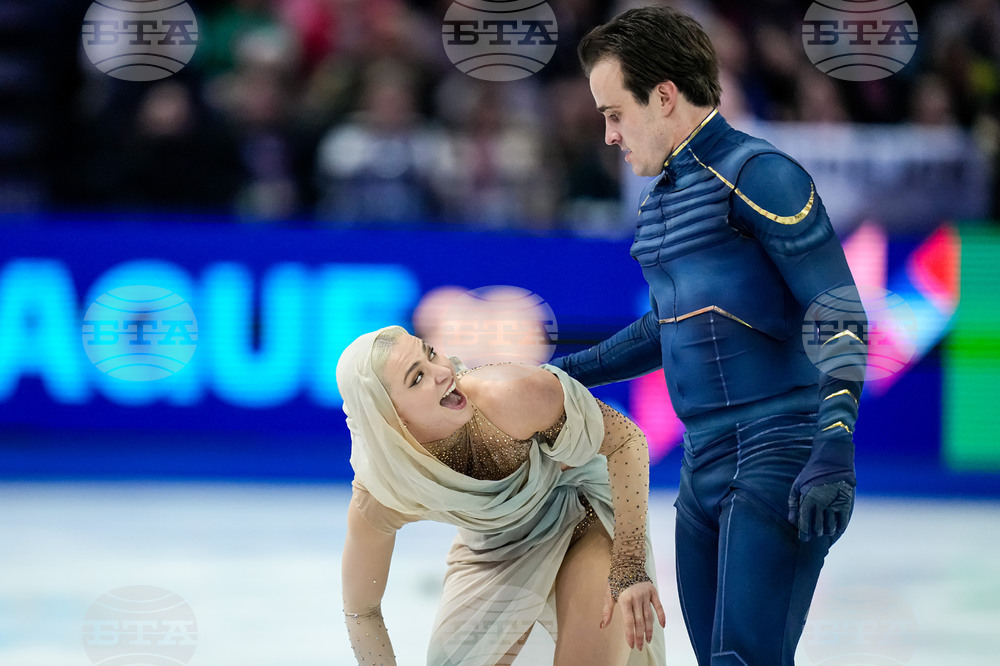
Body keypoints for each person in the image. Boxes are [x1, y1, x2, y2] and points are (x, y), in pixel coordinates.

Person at [549, 7, 868, 666]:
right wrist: (565, 374)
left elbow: (838, 312)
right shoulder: (666, 195)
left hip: (778, 453)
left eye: (614, 113)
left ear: (664, 96)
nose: (608, 135)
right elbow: (668, 327)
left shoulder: (760, 175)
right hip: (702, 465)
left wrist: (834, 446)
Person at [337, 326, 667, 665]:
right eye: (417, 377)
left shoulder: (510, 393)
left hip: (583, 512)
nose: (442, 371)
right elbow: (361, 610)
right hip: (498, 545)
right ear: (392, 420)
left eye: (430, 353)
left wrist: (629, 564)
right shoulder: (384, 491)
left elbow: (627, 440)